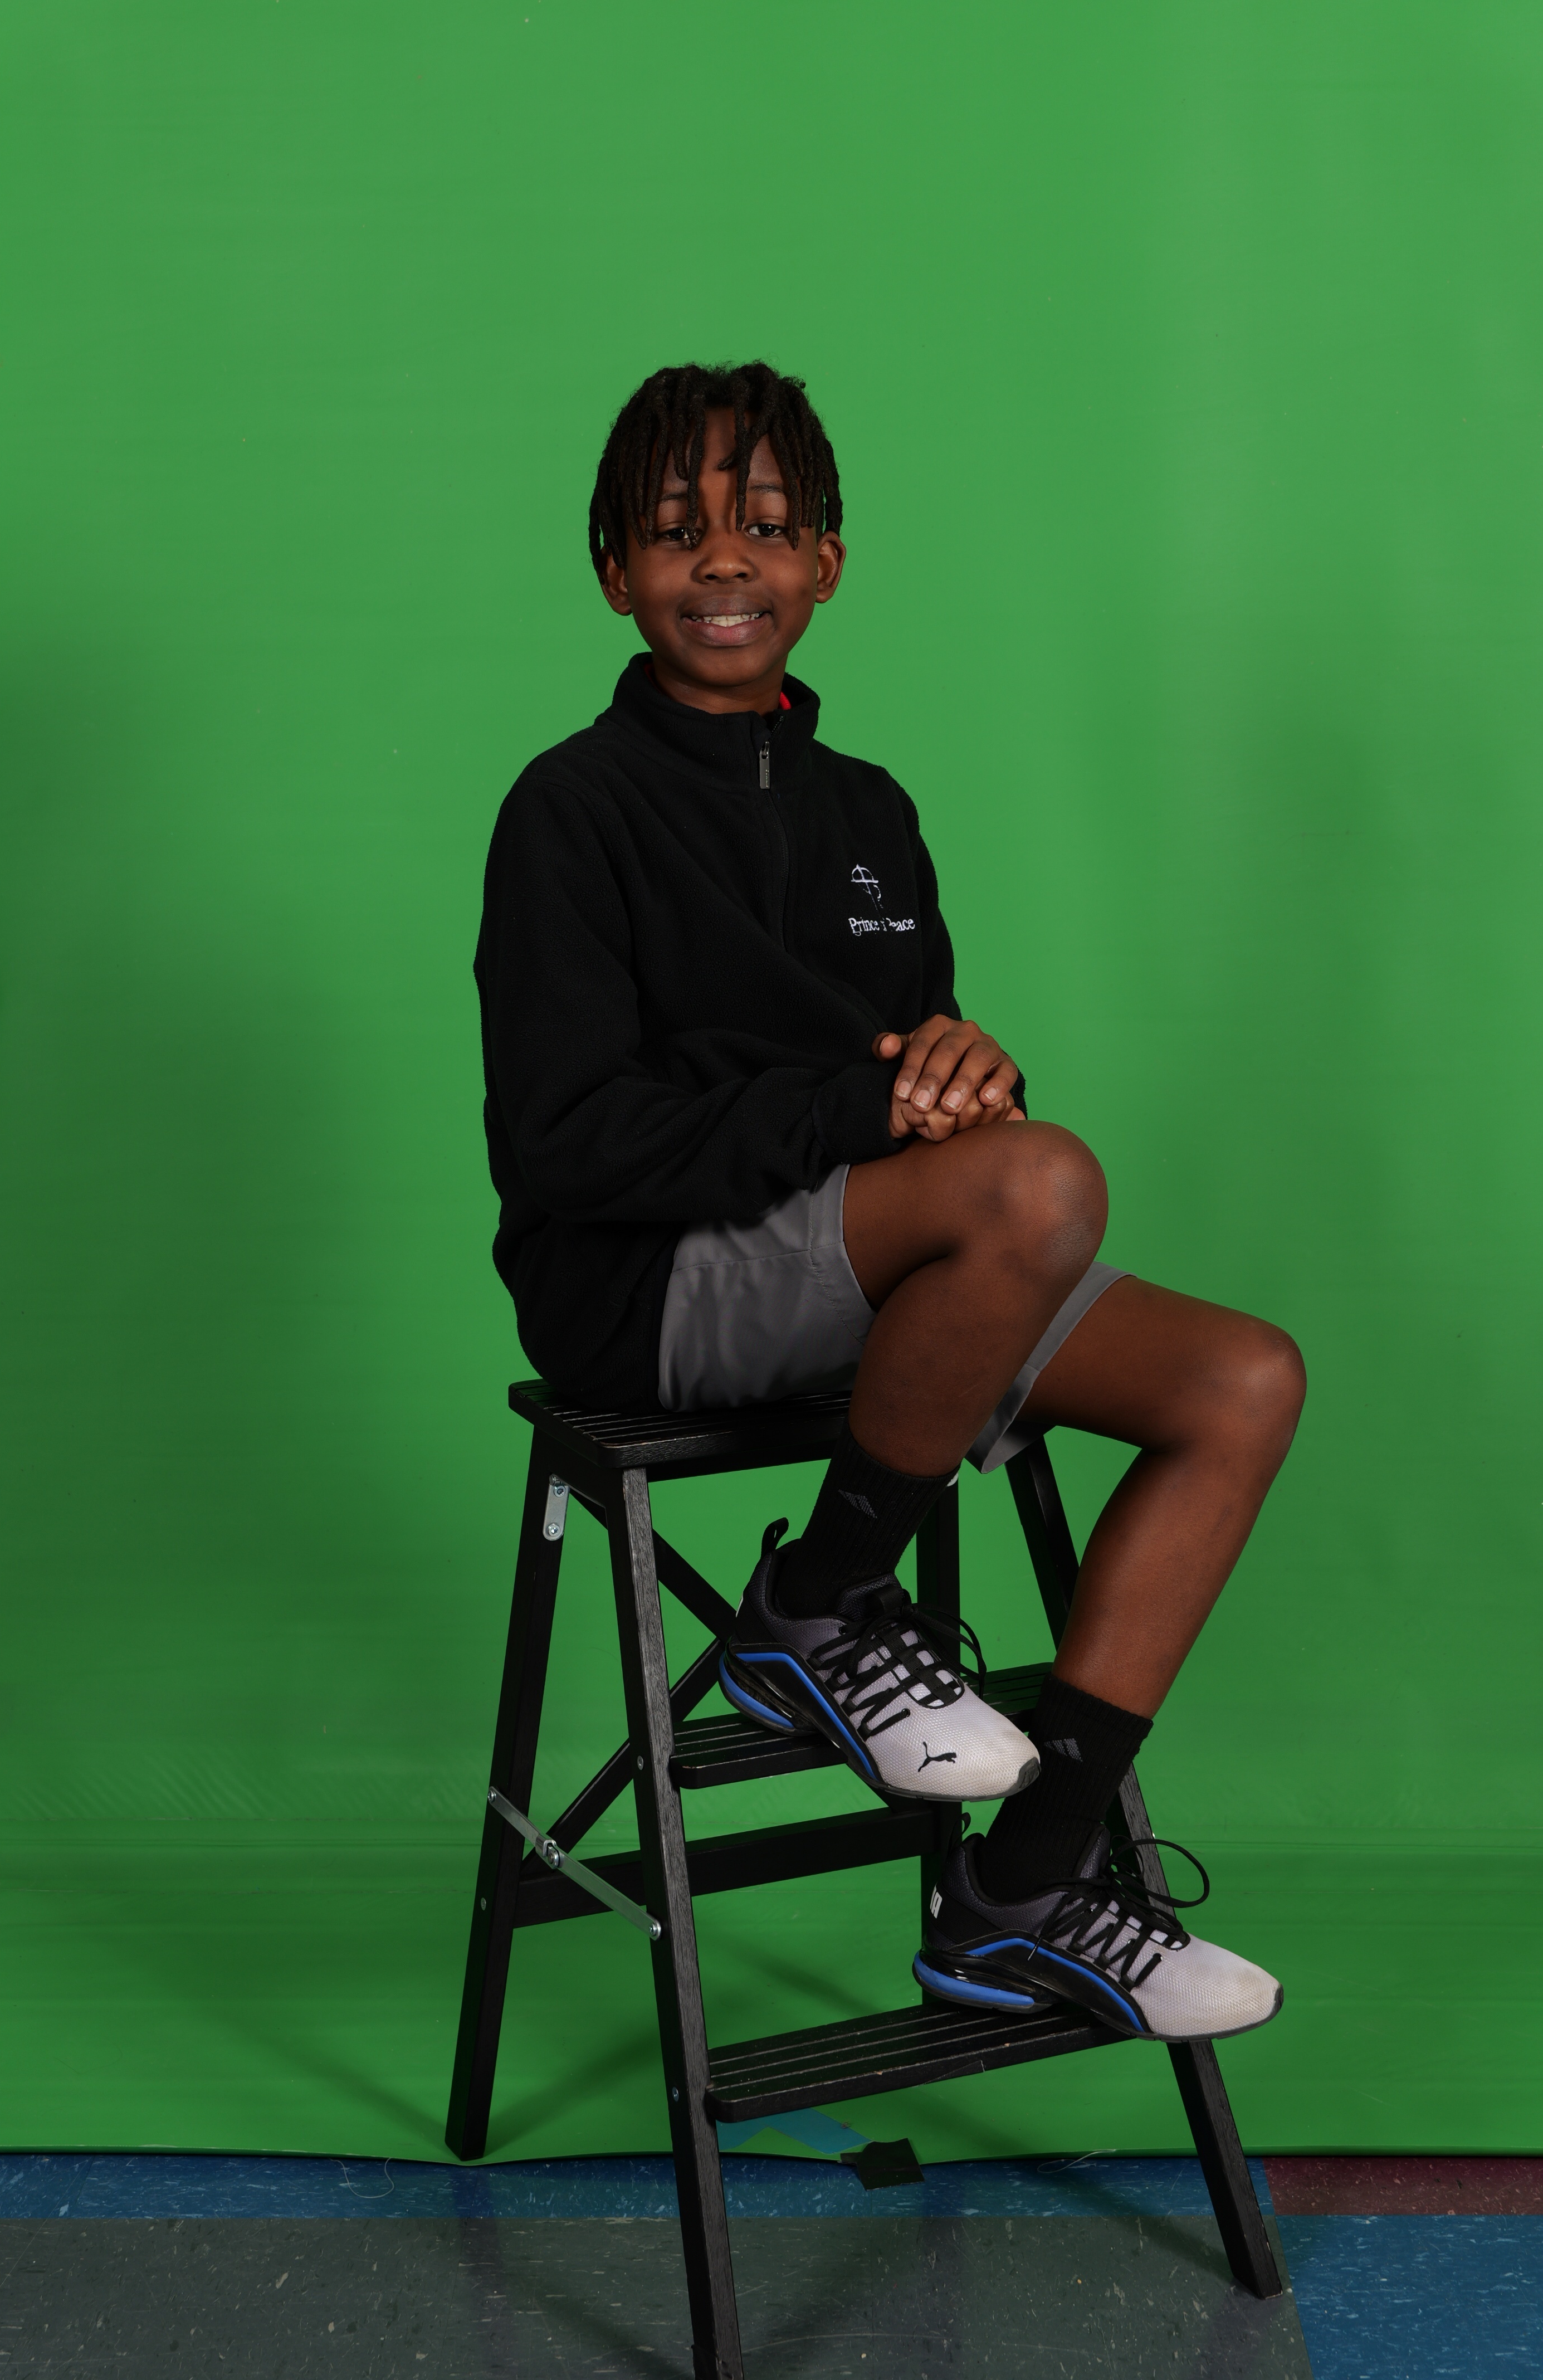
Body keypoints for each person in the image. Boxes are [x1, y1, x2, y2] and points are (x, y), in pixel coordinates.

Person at [476, 361, 1306, 2045]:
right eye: (676, 531)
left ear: (828, 564)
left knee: (1241, 1380)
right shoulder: (571, 810)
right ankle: (816, 1607)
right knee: (1044, 1181)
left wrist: (958, 1076)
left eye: (767, 527)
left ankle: (1024, 1894)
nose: (725, 560)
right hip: (648, 1288)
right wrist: (875, 1113)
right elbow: (569, 1144)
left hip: (850, 1266)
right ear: (614, 573)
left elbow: (909, 1077)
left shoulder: (871, 815)